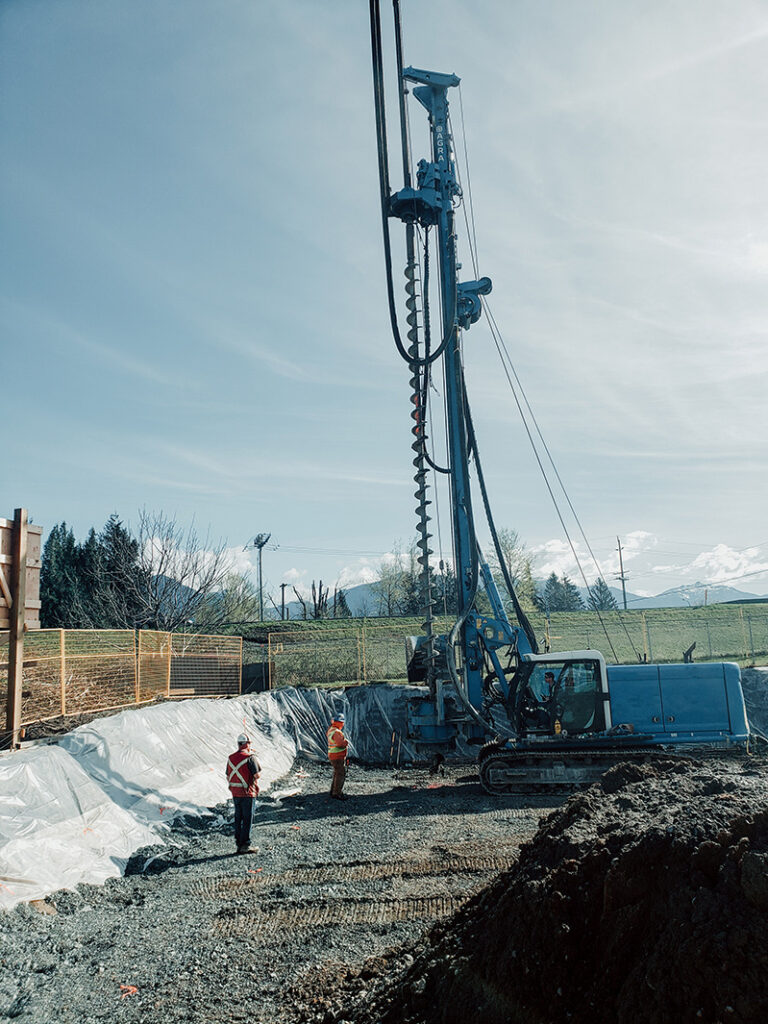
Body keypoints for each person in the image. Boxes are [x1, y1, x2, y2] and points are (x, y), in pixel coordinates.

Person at [225, 733, 261, 854]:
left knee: (238, 817)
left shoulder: (230, 758)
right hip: (248, 793)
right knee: (247, 819)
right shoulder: (251, 758)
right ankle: (245, 845)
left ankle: (239, 843)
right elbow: (257, 775)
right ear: (247, 743)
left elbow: (228, 775)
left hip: (236, 793)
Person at [326, 713, 349, 800]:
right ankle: (337, 793)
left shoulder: (331, 730)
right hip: (338, 756)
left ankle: (333, 791)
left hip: (333, 756)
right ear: (340, 723)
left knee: (336, 773)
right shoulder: (336, 732)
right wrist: (345, 742)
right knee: (340, 774)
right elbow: (340, 744)